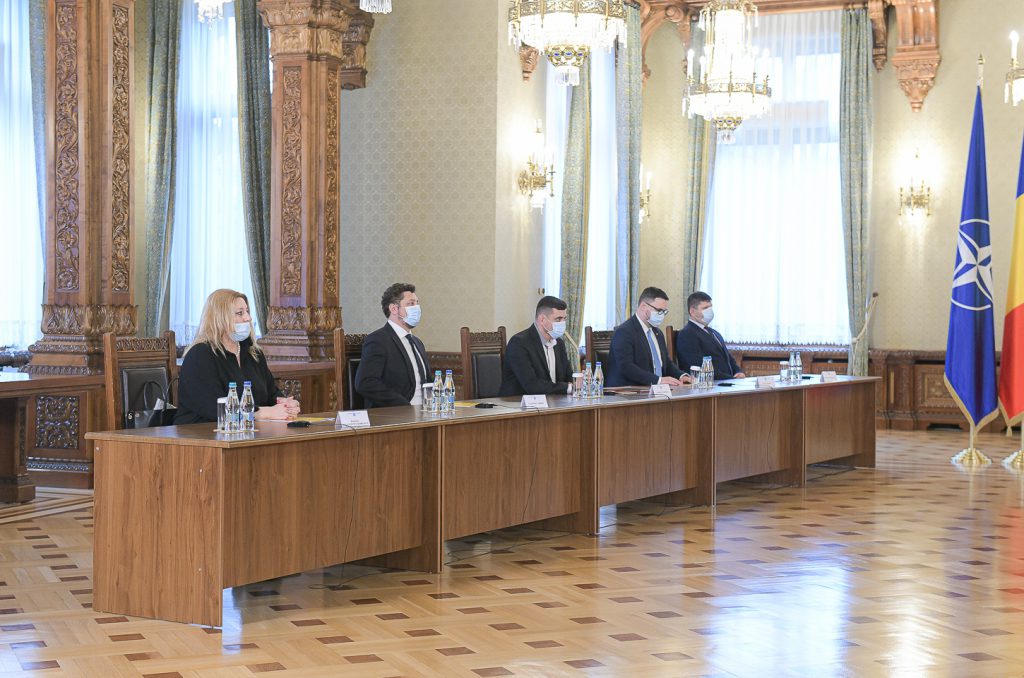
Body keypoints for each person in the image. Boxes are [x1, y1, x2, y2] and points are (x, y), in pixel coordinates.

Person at [175, 289, 300, 424]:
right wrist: (263, 413)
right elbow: (215, 409)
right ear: (219, 318)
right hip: (202, 434)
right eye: (240, 313)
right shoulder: (200, 354)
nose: (248, 318)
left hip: (248, 432)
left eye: (247, 312)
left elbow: (271, 395)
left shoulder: (254, 353)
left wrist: (286, 405)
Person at [355, 282, 432, 408]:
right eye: (411, 304)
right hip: (397, 414)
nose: (417, 308)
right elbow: (365, 383)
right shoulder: (378, 340)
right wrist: (404, 406)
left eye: (417, 303)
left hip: (426, 411)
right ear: (394, 309)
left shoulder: (417, 342)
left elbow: (425, 381)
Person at [605, 286, 690, 387]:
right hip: (627, 392)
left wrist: (681, 376)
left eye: (664, 312)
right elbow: (626, 367)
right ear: (643, 307)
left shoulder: (657, 332)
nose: (661, 315)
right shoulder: (623, 332)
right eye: (659, 310)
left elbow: (666, 363)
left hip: (655, 390)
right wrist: (658, 380)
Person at [498, 296, 574, 397]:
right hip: (518, 406)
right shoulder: (519, 343)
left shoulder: (559, 344)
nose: (562, 323)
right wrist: (568, 387)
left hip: (553, 403)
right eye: (558, 319)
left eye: (564, 319)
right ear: (542, 319)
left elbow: (568, 378)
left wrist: (580, 381)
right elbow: (532, 385)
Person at [675, 291, 746, 380]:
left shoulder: (714, 332)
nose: (710, 311)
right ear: (692, 311)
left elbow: (728, 358)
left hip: (727, 382)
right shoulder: (687, 334)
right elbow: (697, 367)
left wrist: (738, 372)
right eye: (705, 308)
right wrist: (731, 379)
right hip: (710, 386)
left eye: (710, 307)